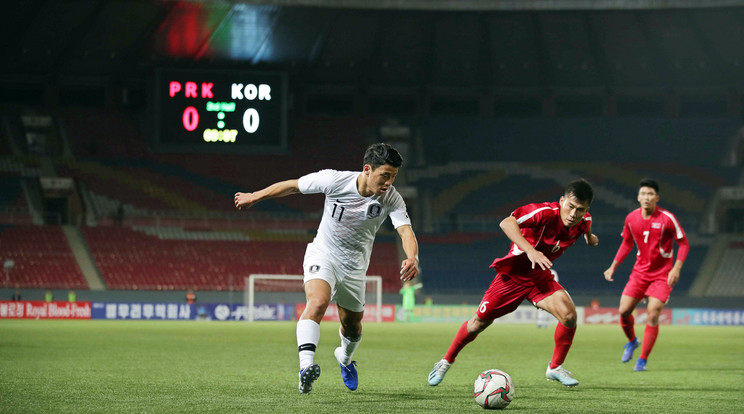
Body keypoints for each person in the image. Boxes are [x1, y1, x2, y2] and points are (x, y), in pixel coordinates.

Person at [234, 143, 419, 394]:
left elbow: (405, 230)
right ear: (367, 169)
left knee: (353, 327)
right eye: (385, 175)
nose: (388, 182)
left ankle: (344, 358)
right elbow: (293, 185)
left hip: (355, 267)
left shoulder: (391, 198)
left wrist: (413, 257)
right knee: (318, 302)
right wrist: (254, 196)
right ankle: (305, 368)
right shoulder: (334, 180)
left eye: (393, 177)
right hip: (324, 253)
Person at [428, 179, 599, 388]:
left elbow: (586, 228)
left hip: (539, 277)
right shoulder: (543, 212)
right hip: (513, 276)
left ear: (586, 209)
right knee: (478, 323)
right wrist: (530, 250)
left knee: (569, 316)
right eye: (570, 206)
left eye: (579, 210)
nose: (573, 214)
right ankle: (445, 361)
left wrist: (590, 238)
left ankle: (555, 368)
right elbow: (506, 222)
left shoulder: (584, 221)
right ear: (562, 201)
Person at [603, 178, 688, 372]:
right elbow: (626, 243)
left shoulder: (667, 218)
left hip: (662, 274)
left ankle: (642, 360)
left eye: (650, 194)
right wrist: (613, 266)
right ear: (638, 197)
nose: (646, 197)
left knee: (653, 312)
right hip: (640, 273)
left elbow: (683, 243)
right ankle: (632, 341)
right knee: (623, 311)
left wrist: (677, 268)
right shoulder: (631, 218)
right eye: (643, 194)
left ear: (657, 198)